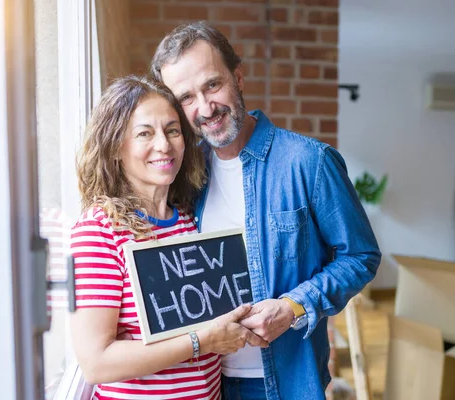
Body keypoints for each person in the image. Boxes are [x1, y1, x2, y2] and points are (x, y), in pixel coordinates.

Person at [150, 22, 381, 400]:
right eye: (186, 97)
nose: (205, 108)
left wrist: (293, 307)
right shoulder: (184, 177)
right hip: (205, 383)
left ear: (237, 77)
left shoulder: (310, 162)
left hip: (289, 384)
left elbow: (361, 255)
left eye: (212, 85)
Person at [70, 75, 269, 400]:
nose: (164, 144)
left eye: (172, 130)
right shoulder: (100, 230)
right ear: (116, 147)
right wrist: (201, 342)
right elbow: (96, 363)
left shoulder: (192, 220)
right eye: (144, 133)